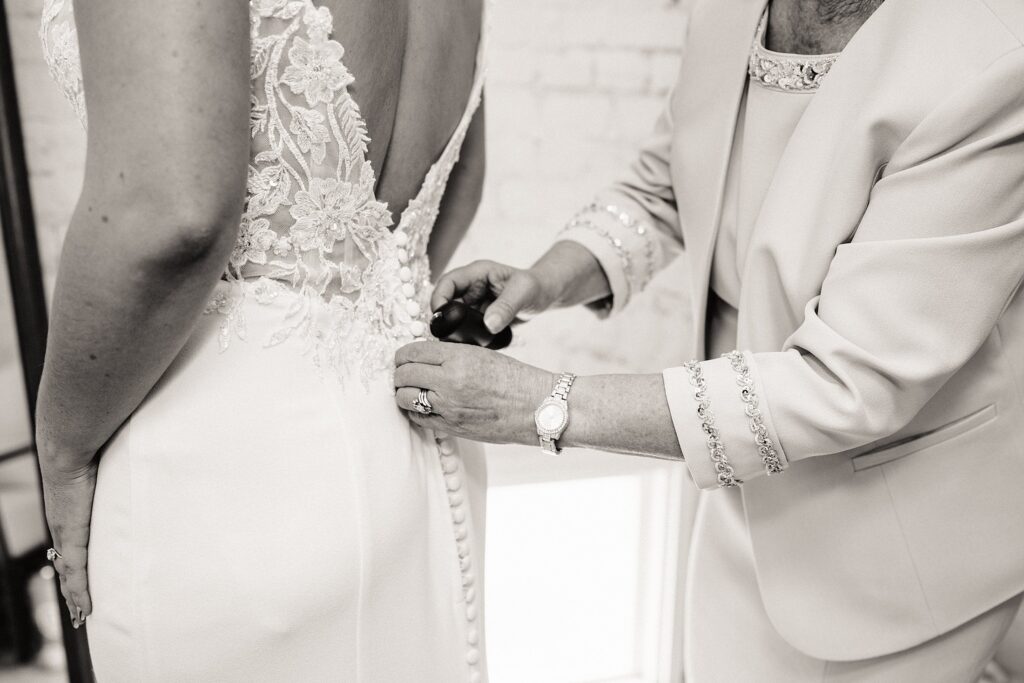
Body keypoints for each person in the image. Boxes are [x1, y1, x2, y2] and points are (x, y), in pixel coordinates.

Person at [394, 0, 1024, 678]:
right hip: (737, 497)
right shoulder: (730, 11)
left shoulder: (990, 62)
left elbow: (848, 380)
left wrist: (542, 406)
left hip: (895, 536)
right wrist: (546, 278)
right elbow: (668, 181)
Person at [37, 0, 488, 679]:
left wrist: (63, 444)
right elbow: (461, 182)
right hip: (414, 455)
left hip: (224, 490)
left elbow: (170, 211)